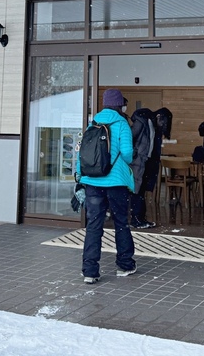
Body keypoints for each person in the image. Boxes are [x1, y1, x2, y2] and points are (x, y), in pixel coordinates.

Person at [77, 87, 136, 284]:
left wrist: (81, 176)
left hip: (92, 181)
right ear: (120, 104)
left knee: (94, 225)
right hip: (115, 181)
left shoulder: (92, 124)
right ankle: (125, 264)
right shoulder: (122, 124)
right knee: (121, 222)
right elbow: (127, 154)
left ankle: (90, 270)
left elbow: (82, 153)